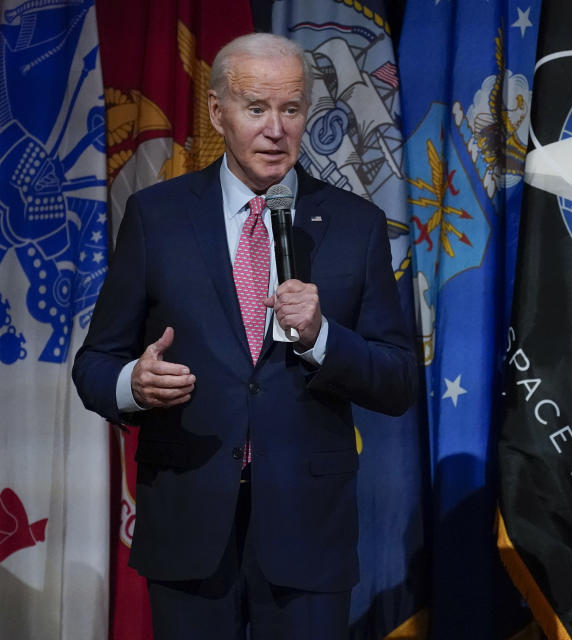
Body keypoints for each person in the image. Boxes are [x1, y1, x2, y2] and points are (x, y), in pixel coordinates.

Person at [72, 33, 417, 639]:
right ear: (217, 112)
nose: (276, 129)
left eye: (291, 109)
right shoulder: (158, 217)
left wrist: (321, 338)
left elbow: (396, 378)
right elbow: (96, 362)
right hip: (187, 519)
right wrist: (135, 384)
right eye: (257, 109)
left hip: (308, 531)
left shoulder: (354, 225)